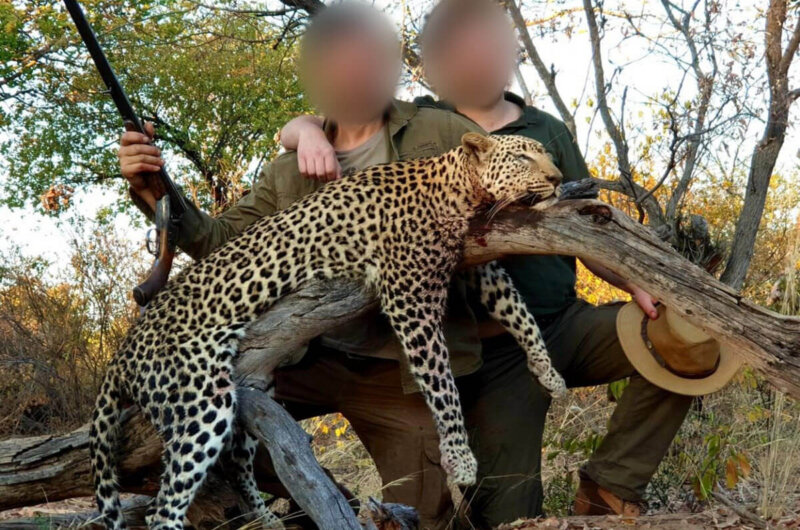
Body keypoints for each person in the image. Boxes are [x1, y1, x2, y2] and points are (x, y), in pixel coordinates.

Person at [118, 3, 542, 528]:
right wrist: (153, 189)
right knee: (204, 424)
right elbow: (216, 240)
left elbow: (512, 174)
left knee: (431, 510)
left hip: (398, 367)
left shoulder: (440, 130)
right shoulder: (287, 168)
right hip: (306, 357)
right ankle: (314, 508)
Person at [279, 0, 693, 525]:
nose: (485, 59)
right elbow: (339, 123)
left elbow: (593, 221)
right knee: (509, 513)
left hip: (566, 322)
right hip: (496, 355)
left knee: (689, 337)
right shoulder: (422, 127)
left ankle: (611, 484)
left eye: (495, 45)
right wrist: (305, 130)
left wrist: (636, 281)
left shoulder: (549, 130)